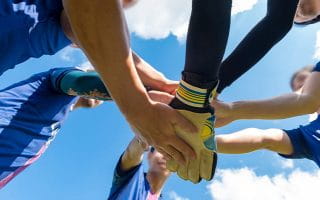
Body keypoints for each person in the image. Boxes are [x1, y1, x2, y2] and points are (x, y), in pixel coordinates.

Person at [1, 0, 197, 165]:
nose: (119, 10)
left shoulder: (57, 25)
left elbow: (94, 33)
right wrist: (138, 106)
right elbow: (90, 13)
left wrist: (160, 85)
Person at [0, 66, 109, 189]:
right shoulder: (62, 75)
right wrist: (128, 92)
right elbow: (80, 82)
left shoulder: (58, 118)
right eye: (105, 77)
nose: (100, 100)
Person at [213, 65, 319, 168]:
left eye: (304, 79)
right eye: (297, 88)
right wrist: (206, 143)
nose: (300, 88)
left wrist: (232, 110)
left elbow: (304, 100)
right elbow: (265, 138)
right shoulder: (307, 136)